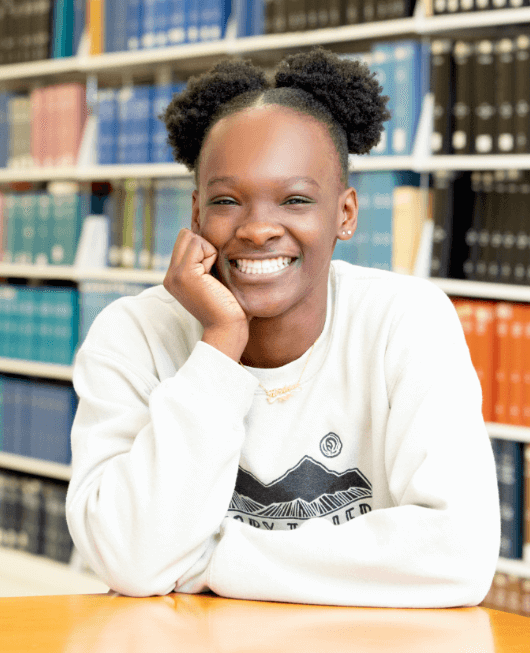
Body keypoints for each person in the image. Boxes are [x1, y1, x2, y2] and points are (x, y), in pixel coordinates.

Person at [65, 47, 500, 607]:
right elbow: (126, 556)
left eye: (295, 199)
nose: (259, 229)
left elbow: (458, 558)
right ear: (195, 213)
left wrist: (210, 558)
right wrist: (221, 345)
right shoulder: (132, 333)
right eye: (227, 201)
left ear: (344, 213)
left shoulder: (407, 320)